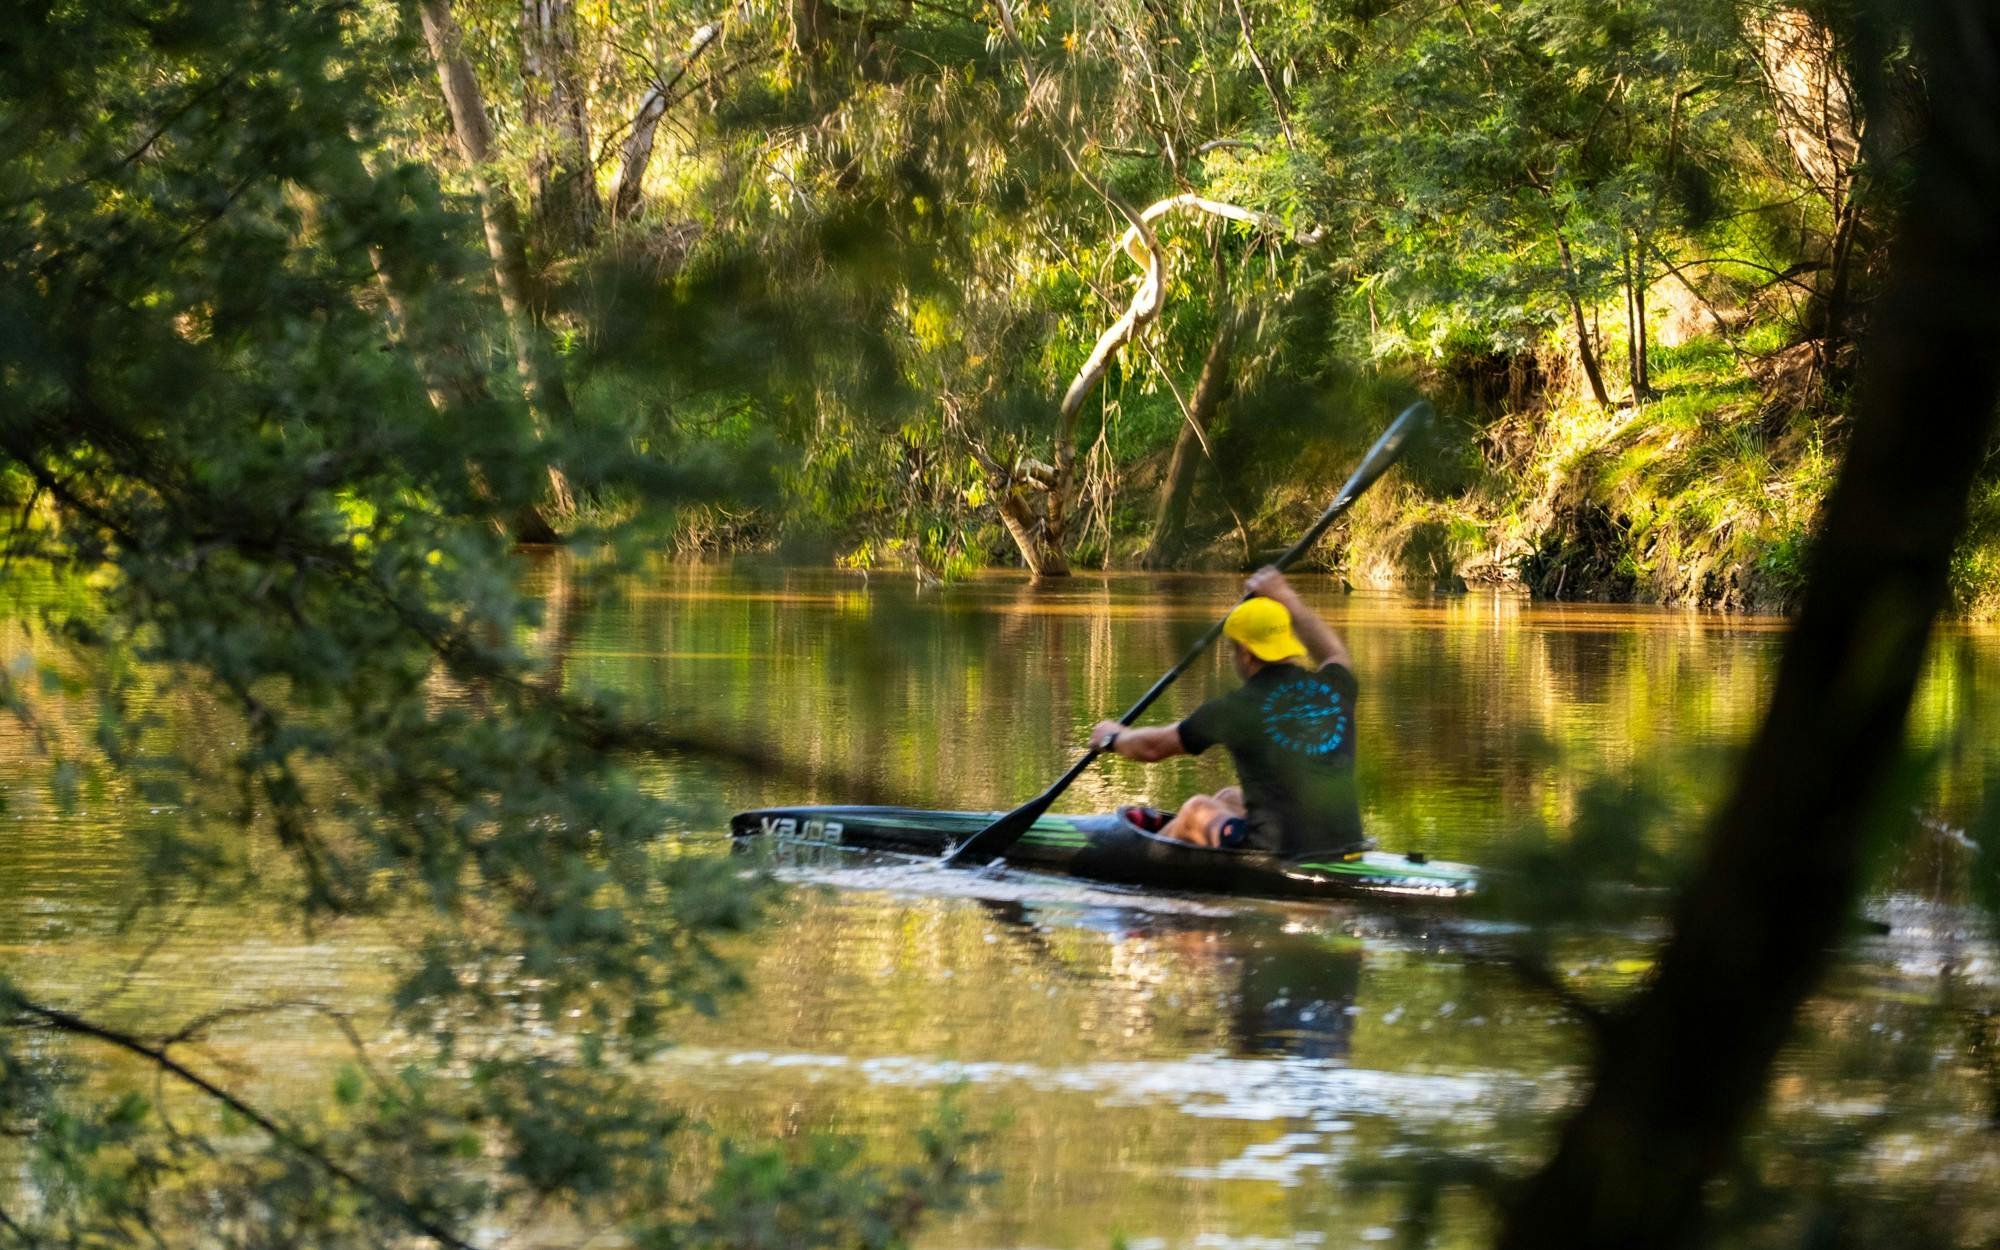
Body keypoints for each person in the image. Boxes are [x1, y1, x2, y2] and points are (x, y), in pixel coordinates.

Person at [1089, 567, 1366, 857]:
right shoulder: (1334, 688)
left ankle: (1140, 866)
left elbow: (1153, 748)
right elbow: (1334, 654)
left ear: (1245, 652)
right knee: (1229, 798)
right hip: (1346, 844)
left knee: (1197, 810)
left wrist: (1112, 738)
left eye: (1233, 651)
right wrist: (1287, 598)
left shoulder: (1236, 708)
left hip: (1283, 851)